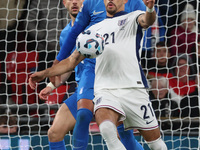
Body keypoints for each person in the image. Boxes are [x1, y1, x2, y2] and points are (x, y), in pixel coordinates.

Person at [29, 0, 168, 149]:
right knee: (104, 128)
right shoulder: (93, 32)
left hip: (133, 89)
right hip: (104, 90)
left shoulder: (134, 17)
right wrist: (45, 74)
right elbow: (71, 61)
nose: (110, 1)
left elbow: (148, 20)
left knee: (155, 145)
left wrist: (150, 8)